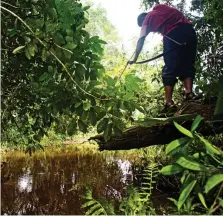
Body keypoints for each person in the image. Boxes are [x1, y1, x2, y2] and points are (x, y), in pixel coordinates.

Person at [129, 4, 197, 112]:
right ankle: (189, 93)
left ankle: (168, 102)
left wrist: (135, 58)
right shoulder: (160, 9)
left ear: (143, 20)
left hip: (174, 34)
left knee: (169, 68)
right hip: (189, 31)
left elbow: (141, 39)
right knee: (187, 62)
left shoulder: (147, 19)